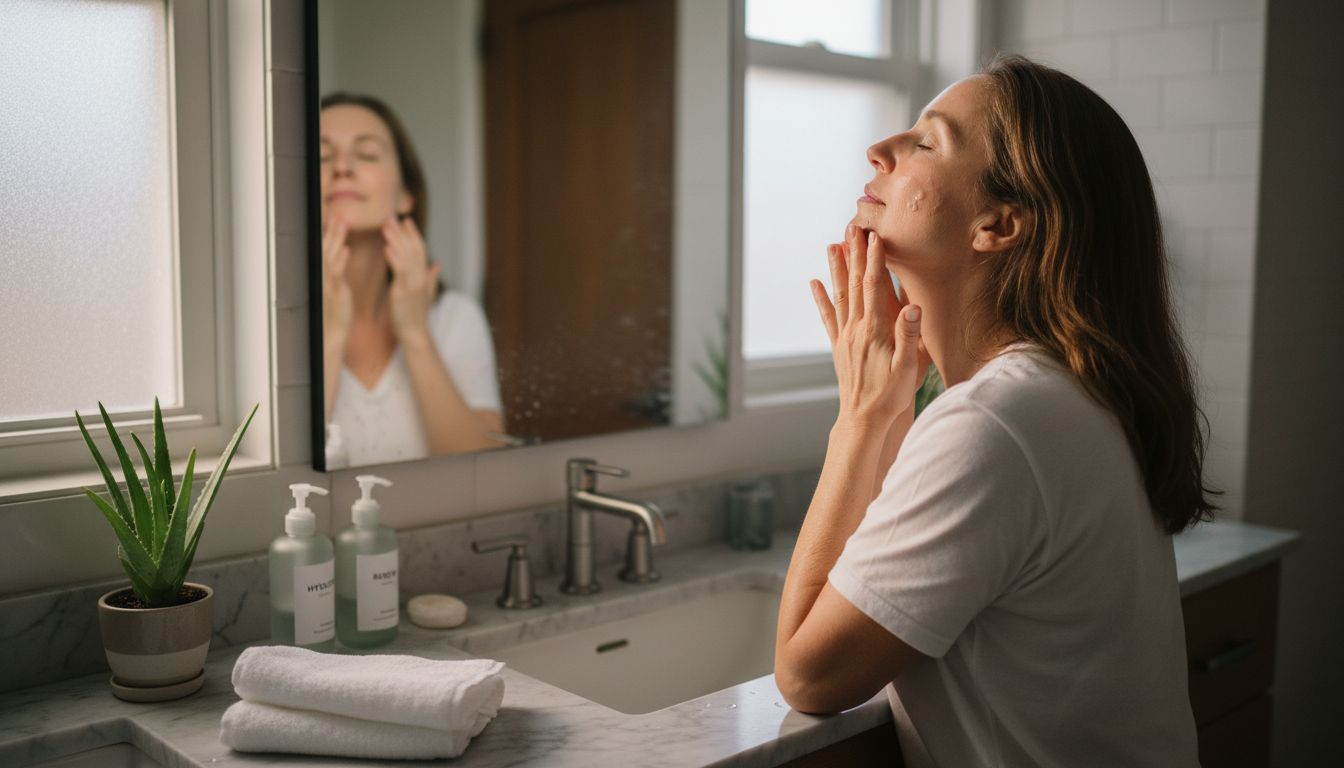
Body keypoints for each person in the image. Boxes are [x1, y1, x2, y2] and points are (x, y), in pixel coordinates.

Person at [773, 56, 1211, 766]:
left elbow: (808, 675)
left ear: (1000, 224)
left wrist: (861, 416)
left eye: (926, 142)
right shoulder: (1056, 393)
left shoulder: (995, 423)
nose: (879, 150)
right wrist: (887, 404)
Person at [320, 93, 503, 465]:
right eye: (321, 157)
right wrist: (330, 335)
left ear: (405, 195)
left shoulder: (454, 317)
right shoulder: (265, 326)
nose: (341, 166)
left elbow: (484, 472)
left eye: (367, 154)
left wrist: (416, 334)